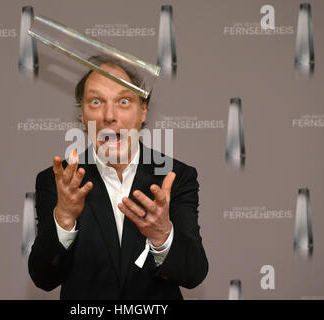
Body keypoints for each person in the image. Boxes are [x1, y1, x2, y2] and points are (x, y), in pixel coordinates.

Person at [28, 55, 208, 299]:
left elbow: (193, 273)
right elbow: (43, 277)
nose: (109, 115)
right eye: (95, 102)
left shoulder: (177, 176)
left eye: (123, 101)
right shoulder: (57, 181)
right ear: (82, 115)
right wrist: (64, 218)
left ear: (143, 111)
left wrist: (161, 235)